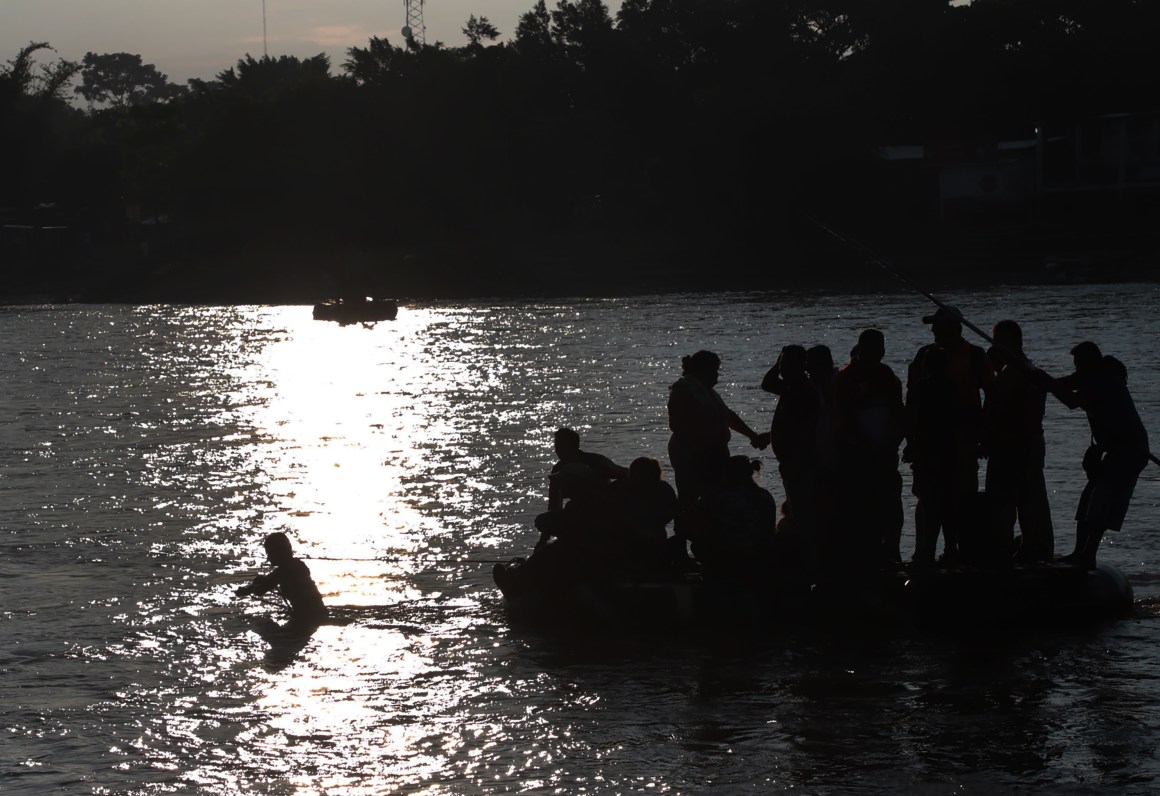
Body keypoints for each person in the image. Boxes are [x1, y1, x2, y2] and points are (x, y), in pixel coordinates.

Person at [1034, 341, 1150, 569]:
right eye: (1077, 366)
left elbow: (1071, 401)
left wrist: (1045, 381)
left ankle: (1088, 556)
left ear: (1095, 361)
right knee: (1088, 498)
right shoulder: (1089, 375)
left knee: (1101, 500)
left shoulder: (1106, 379)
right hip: (1113, 448)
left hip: (1130, 450)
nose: (1079, 370)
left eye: (1083, 365)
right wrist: (1037, 379)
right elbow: (1061, 384)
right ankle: (1079, 552)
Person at [906, 306, 995, 566]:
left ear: (954, 329)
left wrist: (984, 436)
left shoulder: (976, 357)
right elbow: (912, 403)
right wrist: (911, 441)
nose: (933, 331)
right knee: (927, 498)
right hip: (928, 443)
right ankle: (925, 550)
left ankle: (956, 549)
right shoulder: (924, 356)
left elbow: (991, 398)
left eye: (938, 326)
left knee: (961, 497)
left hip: (962, 442)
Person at [667, 350, 769, 542]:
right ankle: (681, 544)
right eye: (714, 370)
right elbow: (679, 425)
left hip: (713, 454)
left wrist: (751, 435)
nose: (717, 375)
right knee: (688, 500)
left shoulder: (707, 392)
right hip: (693, 455)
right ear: (703, 370)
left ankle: (710, 540)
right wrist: (702, 451)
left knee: (713, 498)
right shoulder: (684, 389)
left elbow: (727, 416)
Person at [981, 320, 1054, 563]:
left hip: (1018, 445)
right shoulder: (1013, 371)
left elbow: (1006, 411)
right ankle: (1015, 546)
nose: (997, 346)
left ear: (1014, 343)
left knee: (1023, 500)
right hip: (1014, 444)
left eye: (1001, 342)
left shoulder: (1022, 372)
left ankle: (1032, 547)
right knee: (1013, 500)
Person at [833, 329, 906, 570]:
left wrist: (894, 440)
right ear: (861, 349)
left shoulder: (887, 375)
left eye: (880, 348)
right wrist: (869, 446)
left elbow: (898, 411)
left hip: (885, 453)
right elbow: (846, 418)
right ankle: (865, 555)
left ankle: (891, 551)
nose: (877, 353)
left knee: (890, 506)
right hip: (858, 455)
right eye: (872, 349)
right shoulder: (846, 377)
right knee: (861, 506)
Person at [761, 344, 821, 562]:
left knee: (803, 511)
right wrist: (779, 362)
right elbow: (767, 383)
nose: (783, 368)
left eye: (787, 363)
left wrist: (794, 456)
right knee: (798, 508)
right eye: (782, 363)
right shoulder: (791, 387)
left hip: (799, 461)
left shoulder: (802, 390)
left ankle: (809, 558)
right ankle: (806, 555)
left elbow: (803, 429)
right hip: (792, 460)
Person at [904, 346, 960, 567]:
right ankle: (950, 549)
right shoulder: (952, 387)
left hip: (928, 451)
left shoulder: (921, 387)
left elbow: (913, 419)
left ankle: (927, 552)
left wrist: (911, 445)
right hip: (948, 450)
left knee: (929, 502)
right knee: (947, 502)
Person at [235, 532, 328, 628]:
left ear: (278, 552)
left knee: (259, 626)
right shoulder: (297, 565)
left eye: (269, 553)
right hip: (319, 612)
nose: (268, 558)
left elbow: (260, 590)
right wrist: (252, 587)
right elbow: (269, 580)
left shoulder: (283, 571)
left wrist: (250, 588)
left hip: (307, 618)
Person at [547, 427, 628, 513]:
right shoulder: (558, 469)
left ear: (574, 446)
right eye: (557, 446)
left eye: (562, 446)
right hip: (578, 508)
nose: (558, 450)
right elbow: (554, 502)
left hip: (604, 506)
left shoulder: (597, 461)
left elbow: (626, 474)